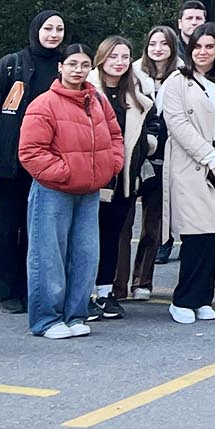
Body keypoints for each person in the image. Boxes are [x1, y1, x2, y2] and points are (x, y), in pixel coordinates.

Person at [0, 11, 66, 313]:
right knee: (9, 226)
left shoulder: (66, 67)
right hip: (10, 163)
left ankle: (36, 287)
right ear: (35, 30)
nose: (53, 34)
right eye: (48, 28)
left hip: (50, 164)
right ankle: (8, 290)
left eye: (59, 29)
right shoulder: (11, 65)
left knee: (42, 229)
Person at [16, 43, 122, 339]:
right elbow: (30, 151)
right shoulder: (44, 104)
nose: (78, 70)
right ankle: (47, 319)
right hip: (54, 191)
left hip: (89, 193)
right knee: (48, 256)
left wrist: (109, 166)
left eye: (84, 65)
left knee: (86, 255)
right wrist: (65, 173)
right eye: (72, 64)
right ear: (60, 67)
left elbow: (115, 135)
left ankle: (76, 315)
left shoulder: (98, 101)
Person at [161, 25, 215, 324]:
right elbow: (178, 126)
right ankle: (183, 299)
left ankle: (202, 297)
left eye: (209, 47)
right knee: (197, 234)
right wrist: (210, 158)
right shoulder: (177, 81)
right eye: (198, 47)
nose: (203, 52)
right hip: (193, 164)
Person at [90, 36, 153, 321]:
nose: (119, 62)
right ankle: (83, 294)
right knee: (86, 239)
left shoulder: (136, 92)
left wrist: (148, 143)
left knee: (113, 237)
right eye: (113, 56)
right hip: (92, 181)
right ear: (102, 58)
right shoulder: (87, 89)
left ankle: (105, 293)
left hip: (126, 180)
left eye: (125, 57)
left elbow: (154, 123)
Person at [128, 26, 179, 298]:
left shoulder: (184, 76)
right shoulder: (132, 74)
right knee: (123, 226)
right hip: (134, 158)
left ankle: (142, 282)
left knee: (153, 226)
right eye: (152, 43)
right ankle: (115, 283)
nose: (158, 48)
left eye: (164, 43)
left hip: (167, 159)